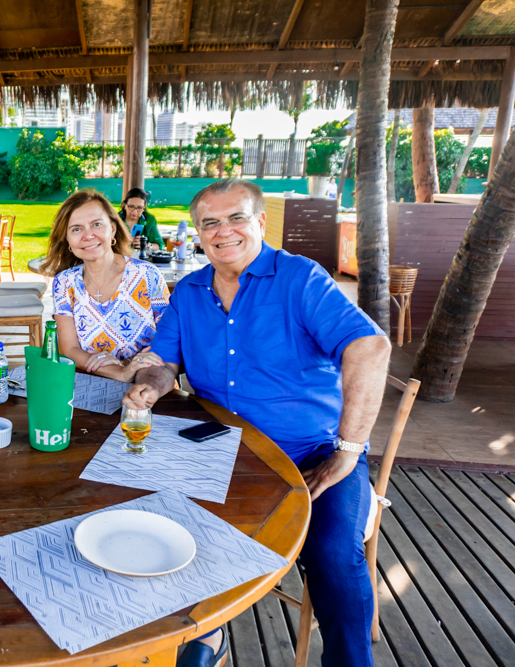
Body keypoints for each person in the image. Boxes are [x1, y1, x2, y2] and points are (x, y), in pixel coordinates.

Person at [124, 179, 390, 667]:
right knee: (148, 514)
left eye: (236, 218)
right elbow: (163, 362)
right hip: (221, 449)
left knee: (332, 554)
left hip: (313, 454)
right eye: (210, 222)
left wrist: (348, 451)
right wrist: (152, 384)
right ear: (198, 233)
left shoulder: (299, 278)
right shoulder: (189, 292)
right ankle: (205, 636)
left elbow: (370, 347)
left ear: (261, 222)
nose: (223, 231)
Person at [41, 190, 170, 383]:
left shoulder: (147, 275)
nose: (88, 235)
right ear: (67, 239)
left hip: (149, 384)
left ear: (113, 229)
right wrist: (118, 372)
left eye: (96, 224)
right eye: (76, 229)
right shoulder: (64, 282)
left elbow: (170, 340)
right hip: (92, 384)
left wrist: (127, 365)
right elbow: (70, 349)